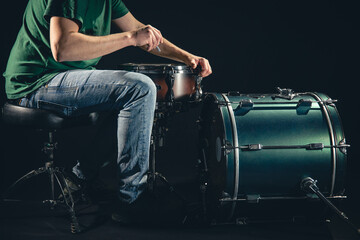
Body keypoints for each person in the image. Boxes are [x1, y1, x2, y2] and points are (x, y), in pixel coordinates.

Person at [3, 0, 212, 223]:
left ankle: (79, 178)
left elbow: (140, 32)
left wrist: (187, 57)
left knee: (130, 94)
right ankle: (131, 199)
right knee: (138, 88)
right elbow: (63, 47)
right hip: (36, 83)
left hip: (59, 79)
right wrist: (131, 37)